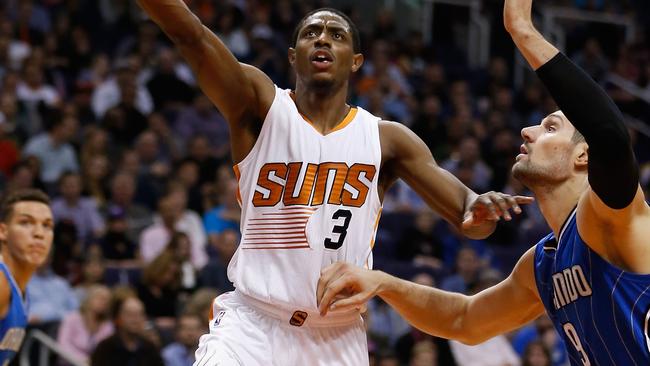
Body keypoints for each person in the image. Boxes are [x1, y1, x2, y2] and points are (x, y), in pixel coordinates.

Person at [137, 2, 531, 365]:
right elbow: (191, 34)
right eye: (311, 33)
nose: (322, 38)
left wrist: (481, 211)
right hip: (252, 325)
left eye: (336, 35)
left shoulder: (386, 139)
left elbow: (470, 216)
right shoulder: (260, 106)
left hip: (336, 336)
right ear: (293, 57)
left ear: (356, 61)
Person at [317, 0, 650, 364]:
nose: (527, 130)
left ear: (583, 156)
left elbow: (610, 137)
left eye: (551, 127)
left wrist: (522, 29)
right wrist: (383, 282)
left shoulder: (608, 218)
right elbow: (466, 319)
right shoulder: (543, 263)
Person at [0, 189, 54, 364]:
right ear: (2, 231)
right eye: (26, 223)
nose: (39, 233)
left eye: (47, 225)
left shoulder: (20, 289)